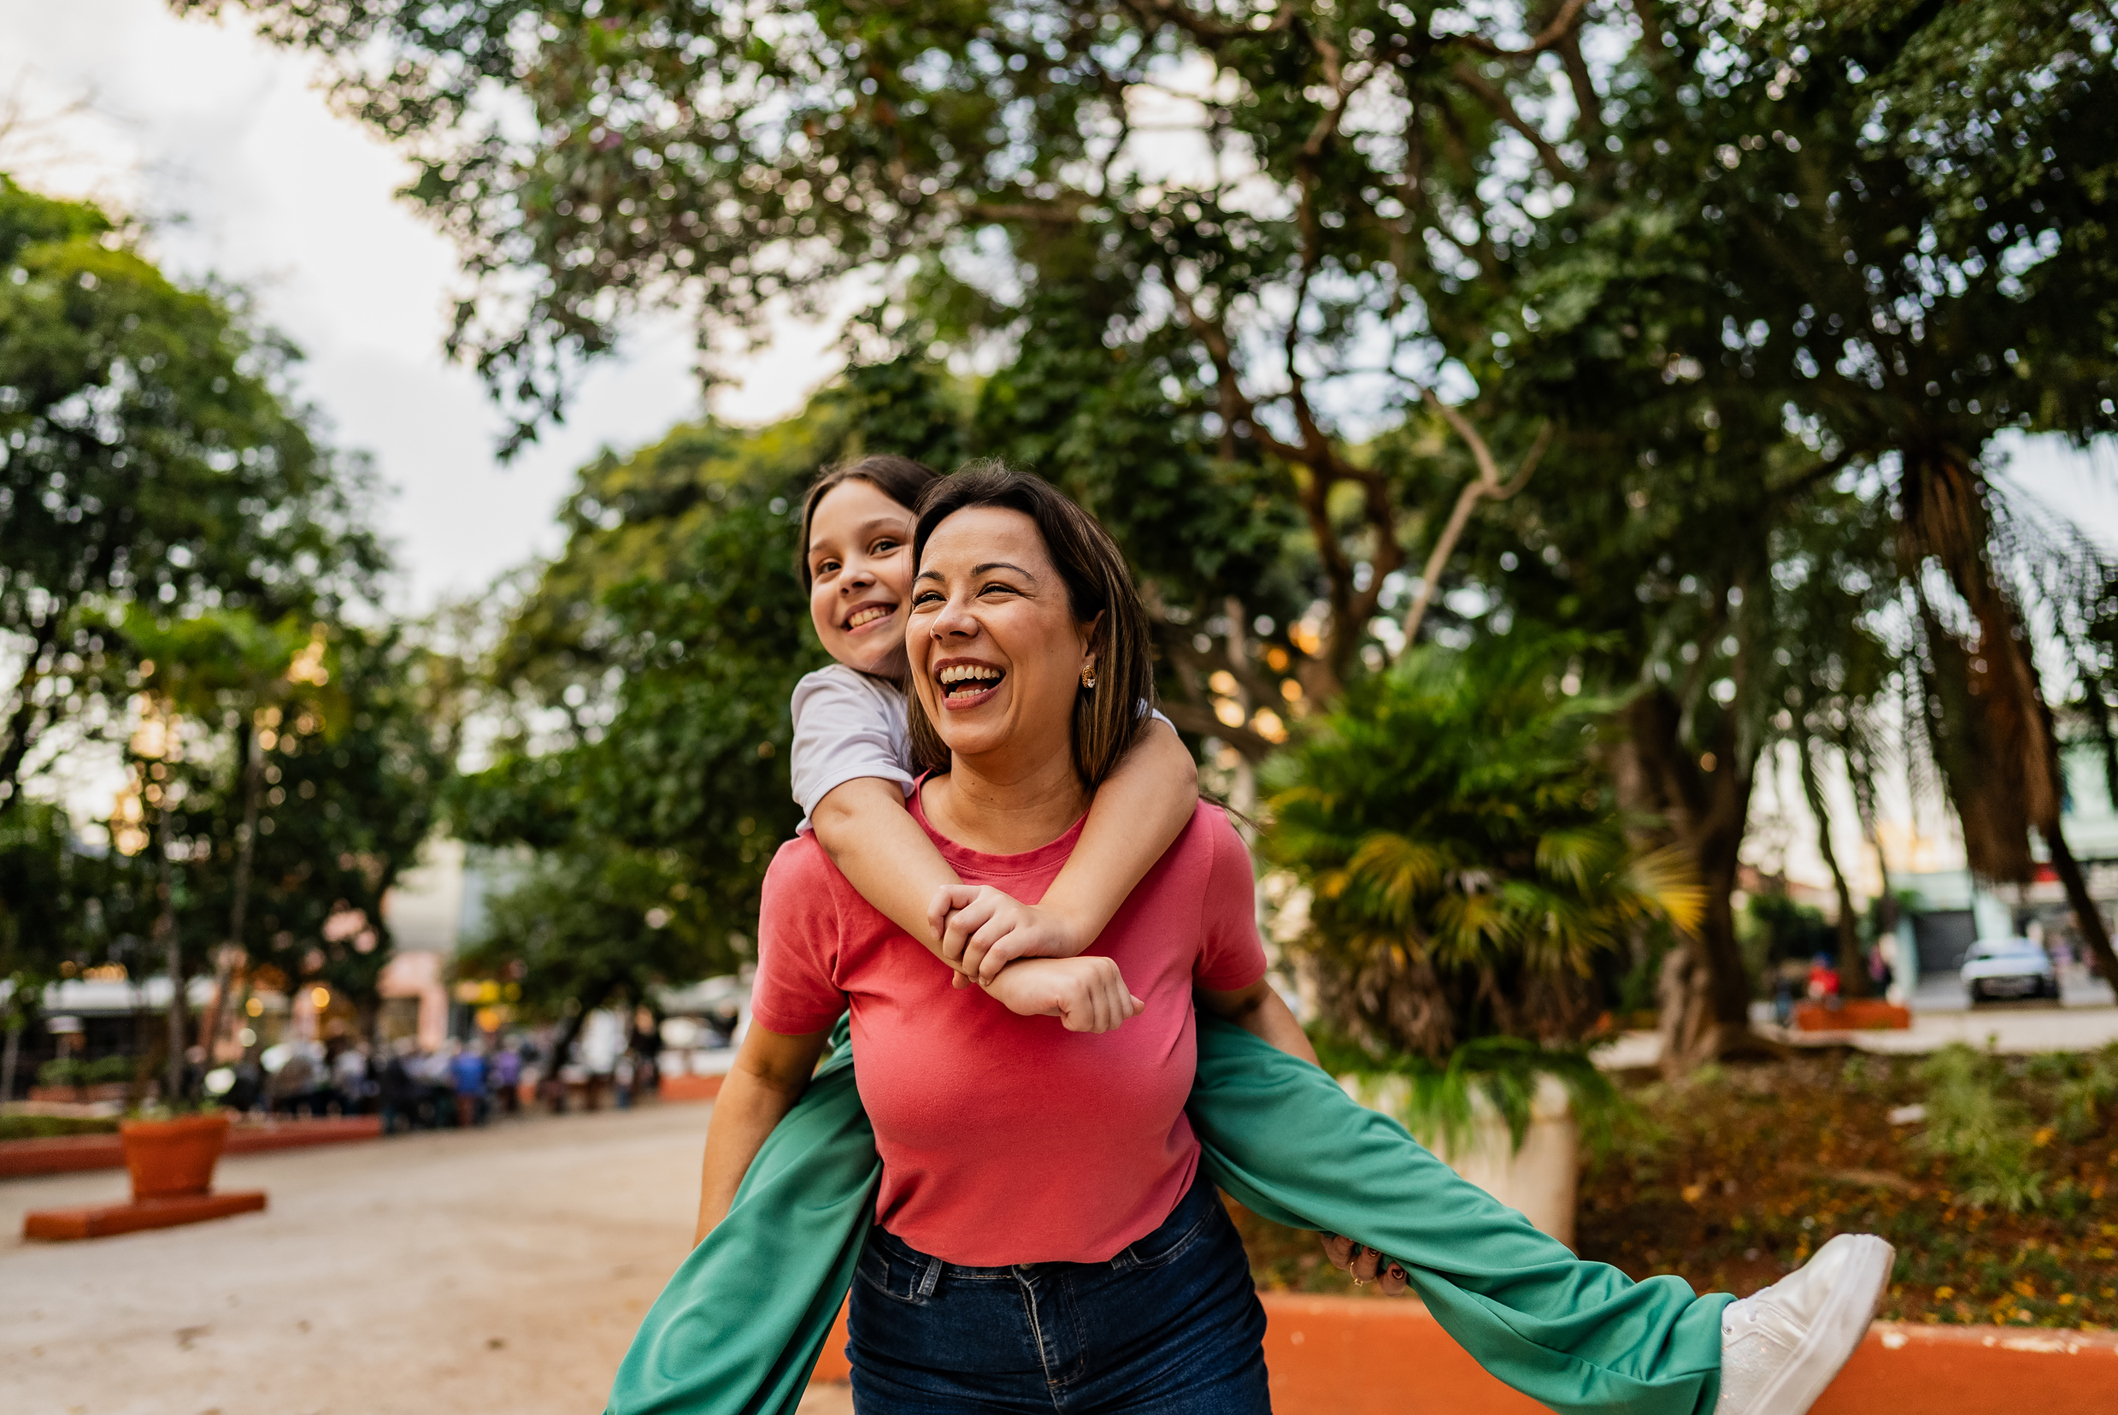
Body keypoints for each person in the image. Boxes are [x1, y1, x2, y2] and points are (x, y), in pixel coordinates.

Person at [610, 465, 1893, 1415]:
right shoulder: (837, 780)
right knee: (826, 1154)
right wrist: (728, 1294)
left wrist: (1340, 1180)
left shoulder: (1174, 819)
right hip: (928, 1308)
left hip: (1169, 1312)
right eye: (855, 573)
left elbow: (1221, 922)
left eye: (939, 566)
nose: (890, 594)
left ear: (1087, 630)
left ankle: (1696, 1359)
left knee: (1275, 1095)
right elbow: (824, 882)